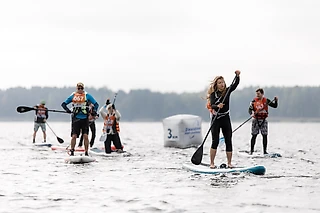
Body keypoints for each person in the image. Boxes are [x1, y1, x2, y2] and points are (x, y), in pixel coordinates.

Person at [209, 70, 241, 169]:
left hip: (226, 118)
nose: (222, 84)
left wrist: (237, 76)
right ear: (216, 85)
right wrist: (218, 105)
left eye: (223, 82)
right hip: (216, 119)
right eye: (219, 83)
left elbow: (235, 85)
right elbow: (212, 105)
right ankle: (212, 163)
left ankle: (229, 163)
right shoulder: (213, 94)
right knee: (215, 141)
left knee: (228, 140)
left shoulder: (227, 91)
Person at [61, 82, 99, 156]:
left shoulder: (87, 95)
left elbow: (96, 104)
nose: (80, 90)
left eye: (82, 88)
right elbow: (63, 104)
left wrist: (94, 111)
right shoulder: (73, 95)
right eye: (79, 88)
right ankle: (72, 151)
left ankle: (86, 152)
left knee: (85, 135)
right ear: (77, 88)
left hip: (85, 118)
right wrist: (67, 110)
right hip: (76, 118)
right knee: (74, 135)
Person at [248, 88, 278, 155]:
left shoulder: (266, 101)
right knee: (254, 135)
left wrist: (276, 101)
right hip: (256, 120)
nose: (257, 95)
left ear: (262, 94)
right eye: (256, 94)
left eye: (258, 94)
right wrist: (251, 114)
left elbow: (275, 106)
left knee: (264, 135)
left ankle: (265, 151)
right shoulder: (253, 101)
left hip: (263, 120)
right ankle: (251, 151)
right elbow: (249, 110)